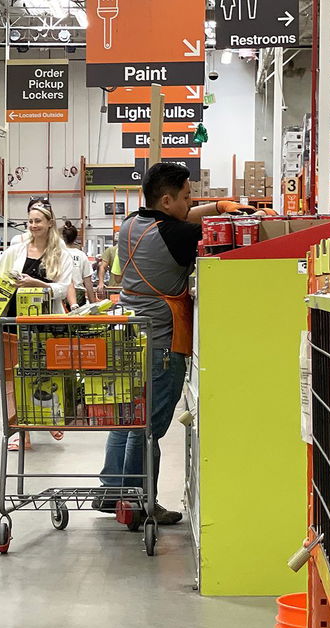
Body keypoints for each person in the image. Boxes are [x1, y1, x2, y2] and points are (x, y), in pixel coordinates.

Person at [96, 163, 255, 527]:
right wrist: (232, 214)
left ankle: (112, 492)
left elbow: (179, 219)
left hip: (129, 334)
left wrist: (217, 206)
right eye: (186, 197)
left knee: (127, 417)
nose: (190, 202)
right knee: (149, 426)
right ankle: (140, 503)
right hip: (161, 342)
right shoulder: (177, 237)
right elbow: (191, 228)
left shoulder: (132, 224)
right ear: (167, 200)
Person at [0, 199, 73, 451]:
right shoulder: (17, 249)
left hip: (47, 325)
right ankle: (20, 433)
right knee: (12, 379)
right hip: (14, 324)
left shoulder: (62, 254)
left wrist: (37, 284)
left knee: (46, 375)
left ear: (50, 223)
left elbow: (63, 288)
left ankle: (50, 419)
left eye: (38, 221)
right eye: (30, 221)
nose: (34, 225)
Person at [60, 221, 98, 307]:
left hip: (61, 295)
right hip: (78, 297)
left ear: (62, 237)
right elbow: (88, 282)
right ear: (75, 238)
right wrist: (93, 304)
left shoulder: (57, 254)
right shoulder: (81, 255)